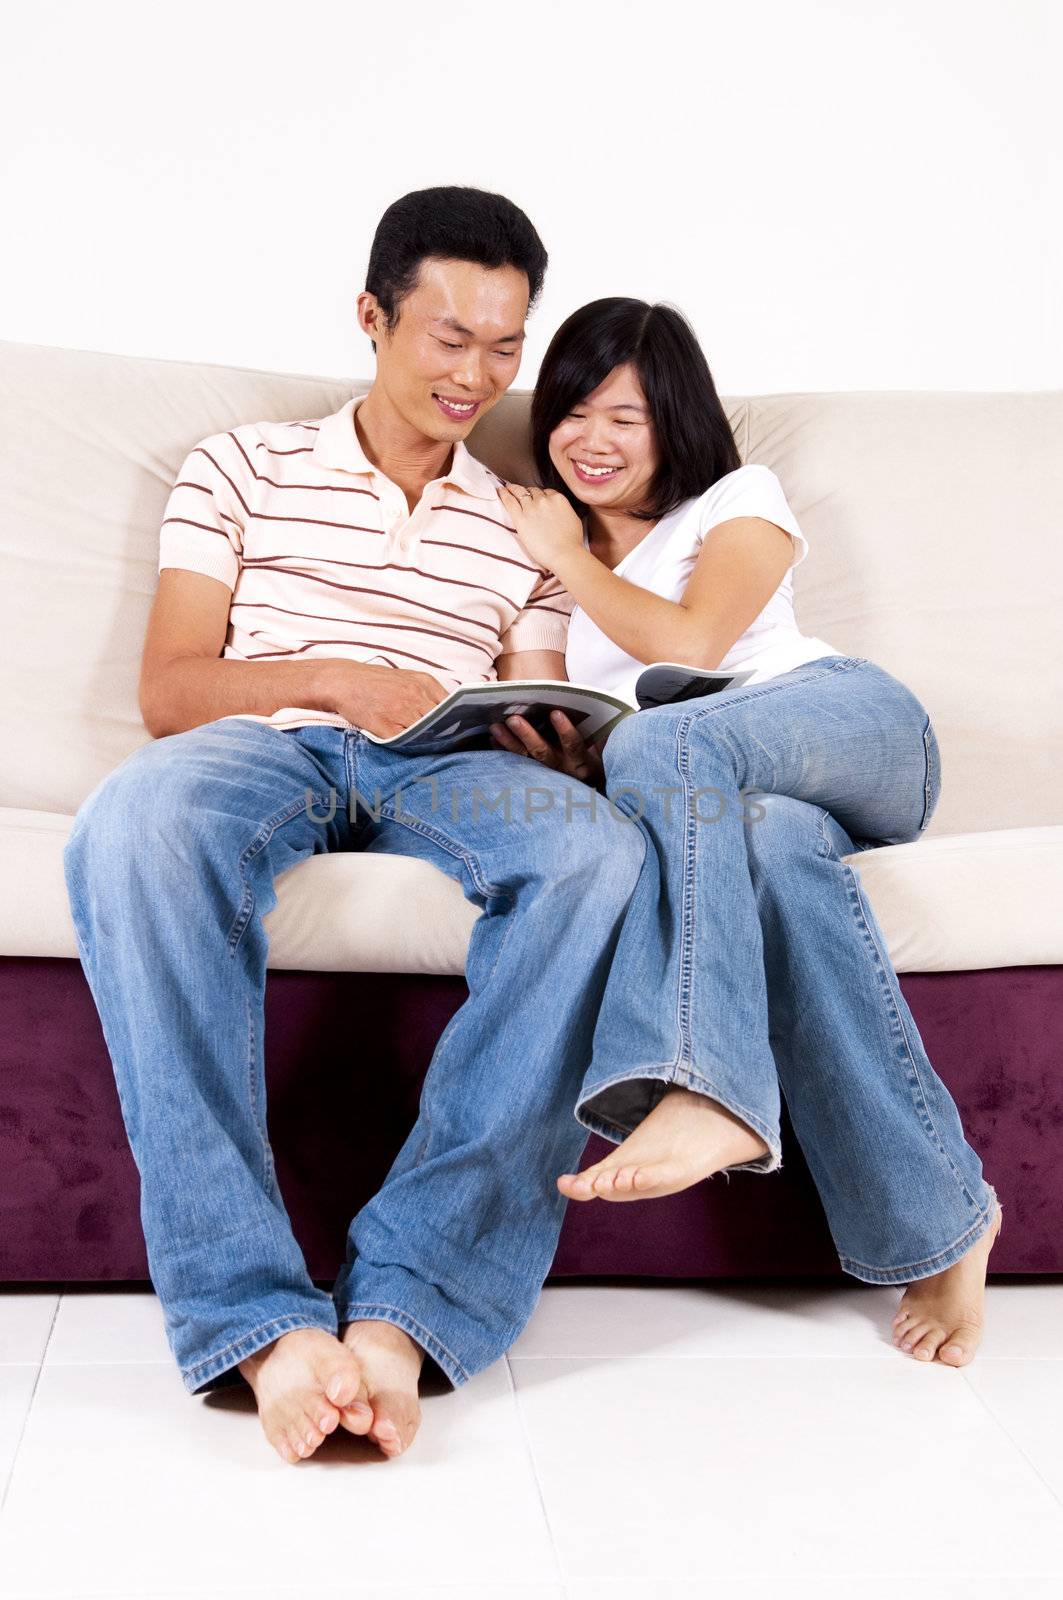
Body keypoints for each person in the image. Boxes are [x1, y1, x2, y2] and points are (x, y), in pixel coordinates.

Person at [62, 190, 645, 1467]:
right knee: (134, 829)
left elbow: (536, 677)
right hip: (269, 738)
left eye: (505, 347)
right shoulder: (241, 465)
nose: (476, 375)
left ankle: (408, 1312)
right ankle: (259, 1323)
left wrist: (550, 736)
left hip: (447, 758)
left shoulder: (522, 518)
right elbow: (170, 690)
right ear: (372, 316)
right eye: (449, 338)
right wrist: (330, 678)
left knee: (599, 853)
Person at [493, 296, 1003, 1369]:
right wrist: (548, 745)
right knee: (770, 856)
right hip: (739, 800)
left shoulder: (737, 497)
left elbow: (692, 638)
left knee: (660, 744)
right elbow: (544, 706)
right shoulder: (543, 575)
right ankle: (946, 1224)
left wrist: (569, 556)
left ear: (673, 418)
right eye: (572, 412)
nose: (590, 439)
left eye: (623, 417)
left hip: (848, 728)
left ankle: (707, 1084)